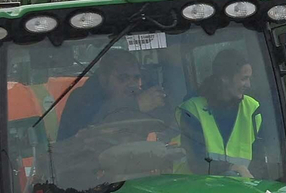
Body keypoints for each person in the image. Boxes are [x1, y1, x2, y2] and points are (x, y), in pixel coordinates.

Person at [178, 49, 263, 177]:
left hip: (242, 191)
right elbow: (196, 162)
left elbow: (261, 160)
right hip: (196, 191)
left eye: (249, 79)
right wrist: (233, 168)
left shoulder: (252, 109)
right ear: (224, 78)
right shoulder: (192, 109)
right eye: (244, 79)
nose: (248, 85)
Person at [58, 50, 168, 142]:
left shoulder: (139, 95)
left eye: (136, 78)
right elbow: (91, 126)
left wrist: (160, 104)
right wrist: (134, 105)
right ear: (103, 79)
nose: (132, 85)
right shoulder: (81, 98)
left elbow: (168, 125)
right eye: (123, 78)